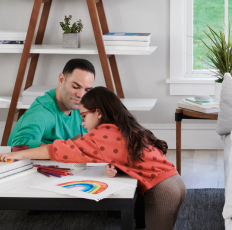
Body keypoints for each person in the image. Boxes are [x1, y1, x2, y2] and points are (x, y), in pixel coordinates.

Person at [1, 86, 186, 230]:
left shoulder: (101, 134)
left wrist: (18, 153)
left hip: (161, 192)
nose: (82, 123)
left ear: (98, 113)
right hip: (175, 182)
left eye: (83, 117)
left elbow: (57, 150)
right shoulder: (123, 127)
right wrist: (116, 167)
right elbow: (135, 159)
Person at [8, 58, 95, 148]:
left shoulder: (82, 107)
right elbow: (19, 144)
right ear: (61, 80)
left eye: (87, 90)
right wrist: (63, 148)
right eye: (75, 87)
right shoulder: (43, 111)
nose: (81, 95)